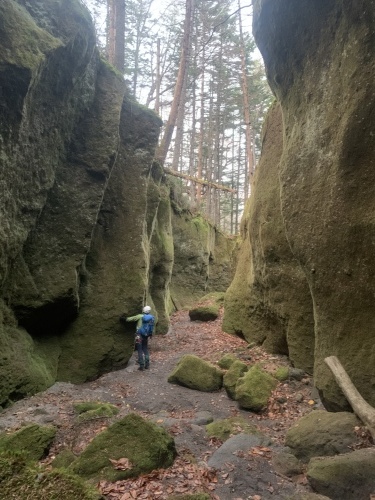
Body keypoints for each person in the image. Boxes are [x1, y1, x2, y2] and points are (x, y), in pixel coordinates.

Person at [125, 306, 154, 371]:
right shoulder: (151, 317)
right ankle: (147, 364)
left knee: (139, 349)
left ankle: (141, 366)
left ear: (143, 310)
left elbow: (130, 319)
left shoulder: (140, 316)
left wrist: (123, 318)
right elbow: (152, 327)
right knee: (145, 348)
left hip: (139, 335)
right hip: (146, 335)